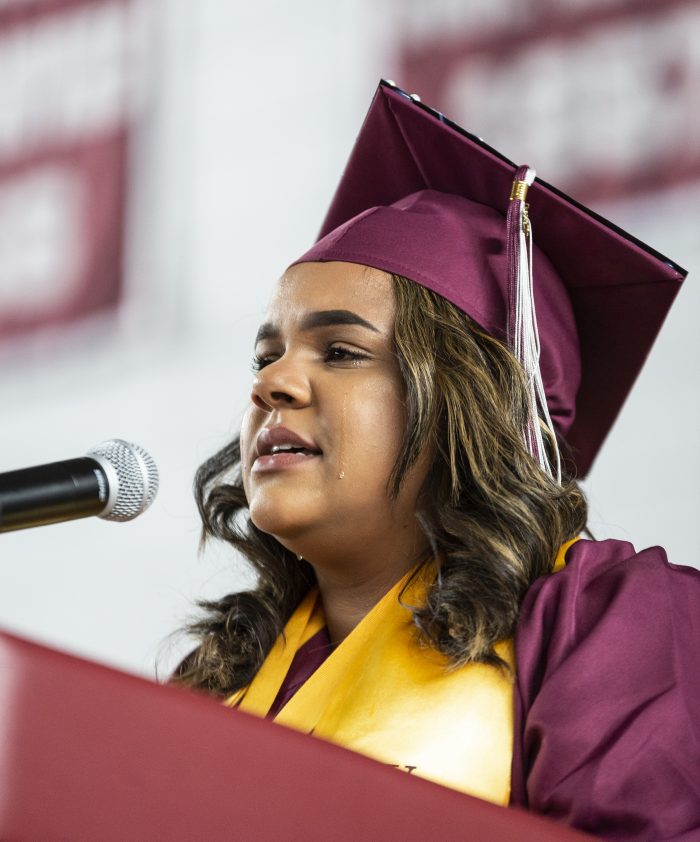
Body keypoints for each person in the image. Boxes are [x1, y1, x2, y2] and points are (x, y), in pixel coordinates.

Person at [174, 81, 700, 839]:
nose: (271, 383)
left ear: (475, 401)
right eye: (267, 355)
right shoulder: (221, 678)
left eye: (342, 351)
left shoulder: (603, 623)